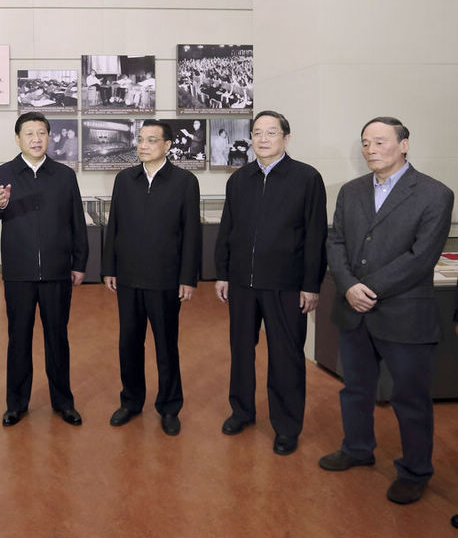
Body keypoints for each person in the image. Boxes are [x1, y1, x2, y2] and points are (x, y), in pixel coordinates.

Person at [319, 116, 454, 505]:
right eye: (366, 143)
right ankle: (357, 448)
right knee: (356, 389)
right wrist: (348, 286)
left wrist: (369, 288)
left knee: (410, 398)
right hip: (354, 311)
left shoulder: (434, 194)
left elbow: (421, 256)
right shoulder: (351, 191)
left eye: (380, 142)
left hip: (404, 314)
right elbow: (337, 241)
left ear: (404, 144)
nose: (372, 150)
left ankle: (415, 471)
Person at [214, 110, 327, 456]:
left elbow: (315, 236)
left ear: (286, 138)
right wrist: (223, 272)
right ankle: (242, 411)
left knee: (286, 356)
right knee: (241, 352)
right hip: (243, 285)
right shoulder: (239, 179)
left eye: (271, 132)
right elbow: (227, 230)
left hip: (287, 284)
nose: (263, 138)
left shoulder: (306, 178)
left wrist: (311, 284)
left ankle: (287, 425)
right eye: (257, 132)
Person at [0, 111, 88, 427]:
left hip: (57, 272)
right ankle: (16, 404)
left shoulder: (64, 175)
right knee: (19, 339)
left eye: (41, 133)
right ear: (18, 139)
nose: (36, 139)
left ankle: (63, 402)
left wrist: (79, 263)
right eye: (29, 133)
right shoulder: (3, 173)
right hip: (19, 274)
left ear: (49, 137)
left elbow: (77, 223)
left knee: (58, 339)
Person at [102, 120, 201, 435]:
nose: (143, 145)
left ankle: (169, 407)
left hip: (166, 280)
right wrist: (109, 268)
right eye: (141, 139)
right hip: (128, 278)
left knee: (165, 346)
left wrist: (188, 278)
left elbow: (191, 234)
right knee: (128, 344)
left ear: (168, 145)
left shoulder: (184, 182)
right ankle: (131, 401)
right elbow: (113, 225)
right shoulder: (124, 180)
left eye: (152, 140)